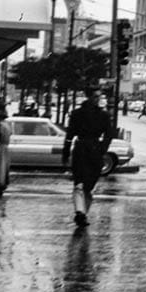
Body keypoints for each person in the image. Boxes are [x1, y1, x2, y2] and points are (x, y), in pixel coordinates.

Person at [62, 86, 114, 228]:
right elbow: (70, 134)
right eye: (95, 97)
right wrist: (66, 151)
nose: (98, 99)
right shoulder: (81, 114)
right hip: (85, 149)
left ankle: (82, 212)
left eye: (99, 97)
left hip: (90, 149)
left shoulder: (100, 115)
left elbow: (109, 134)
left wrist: (102, 148)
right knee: (80, 183)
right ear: (89, 97)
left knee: (88, 184)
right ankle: (81, 212)